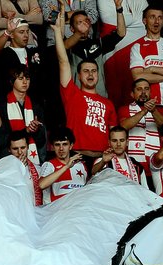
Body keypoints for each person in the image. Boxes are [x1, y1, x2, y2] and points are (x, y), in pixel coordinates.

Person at [53, 13, 116, 158]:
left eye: (94, 71)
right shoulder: (71, 93)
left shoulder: (108, 104)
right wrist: (57, 32)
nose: (90, 74)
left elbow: (114, 136)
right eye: (86, 71)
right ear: (79, 76)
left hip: (102, 159)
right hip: (77, 157)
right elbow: (63, 61)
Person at [129, 6, 163, 111]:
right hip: (148, 103)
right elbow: (138, 77)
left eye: (160, 17)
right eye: (152, 17)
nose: (156, 21)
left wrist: (152, 69)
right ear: (144, 21)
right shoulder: (137, 46)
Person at [119, 78, 163, 166]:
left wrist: (154, 111)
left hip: (156, 161)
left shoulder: (160, 110)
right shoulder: (124, 109)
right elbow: (123, 126)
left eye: (146, 89)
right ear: (132, 94)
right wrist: (145, 111)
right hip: (132, 163)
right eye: (139, 89)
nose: (143, 92)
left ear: (150, 92)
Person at [38, 129, 85, 202]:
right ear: (53, 147)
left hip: (78, 208)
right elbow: (41, 185)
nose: (61, 149)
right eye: (57, 145)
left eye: (65, 144)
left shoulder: (81, 165)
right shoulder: (49, 165)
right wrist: (66, 167)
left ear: (71, 146)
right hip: (56, 210)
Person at [7, 129, 43, 205]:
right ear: (9, 150)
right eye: (15, 149)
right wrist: (18, 168)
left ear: (28, 147)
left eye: (23, 148)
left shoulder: (38, 169)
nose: (20, 152)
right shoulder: (4, 171)